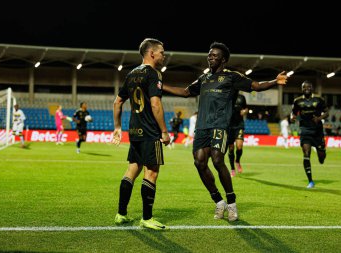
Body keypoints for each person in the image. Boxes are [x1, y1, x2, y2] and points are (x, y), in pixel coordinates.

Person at [163, 42, 288, 221]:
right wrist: (161, 87)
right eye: (209, 55)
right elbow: (185, 92)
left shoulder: (232, 77)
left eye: (214, 55)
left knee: (217, 159)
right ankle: (218, 201)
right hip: (202, 127)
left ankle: (231, 203)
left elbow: (257, 86)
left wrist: (276, 81)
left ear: (223, 60)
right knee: (199, 163)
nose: (210, 58)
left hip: (220, 125)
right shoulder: (204, 78)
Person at [112, 38, 170, 230]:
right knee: (151, 172)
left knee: (132, 170)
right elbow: (155, 104)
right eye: (161, 52)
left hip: (134, 130)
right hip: (151, 131)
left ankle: (121, 213)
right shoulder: (154, 74)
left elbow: (117, 102)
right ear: (151, 53)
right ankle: (147, 218)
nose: (164, 55)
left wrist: (117, 127)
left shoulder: (131, 74)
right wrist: (164, 131)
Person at [291, 80, 329, 189]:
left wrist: (319, 118)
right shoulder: (297, 101)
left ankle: (321, 153)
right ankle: (310, 181)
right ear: (301, 89)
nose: (306, 89)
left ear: (312, 88)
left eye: (308, 87)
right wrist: (292, 118)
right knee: (306, 154)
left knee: (321, 158)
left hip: (317, 131)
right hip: (305, 130)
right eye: (304, 87)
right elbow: (293, 113)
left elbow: (327, 112)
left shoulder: (319, 99)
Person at [227, 93, 248, 177]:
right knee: (231, 148)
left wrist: (245, 111)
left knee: (239, 146)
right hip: (229, 126)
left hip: (239, 125)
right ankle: (232, 169)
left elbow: (246, 108)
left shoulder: (241, 97)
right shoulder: (226, 96)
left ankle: (237, 161)